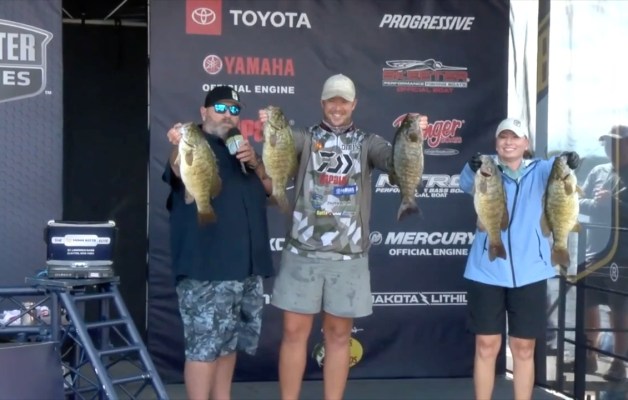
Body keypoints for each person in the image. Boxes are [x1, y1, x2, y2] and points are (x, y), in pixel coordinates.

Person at [258, 74, 428, 400]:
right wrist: (271, 129)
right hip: (302, 252)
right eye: (332, 101)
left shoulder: (368, 142)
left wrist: (414, 138)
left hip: (349, 256)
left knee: (338, 336)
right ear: (322, 103)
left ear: (354, 104)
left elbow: (395, 164)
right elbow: (274, 158)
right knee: (294, 333)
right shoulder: (304, 137)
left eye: (344, 101)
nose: (337, 107)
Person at [163, 85, 275, 400]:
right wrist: (178, 143)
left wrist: (256, 162)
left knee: (228, 344)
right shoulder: (192, 143)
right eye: (221, 108)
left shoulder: (241, 148)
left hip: (245, 268)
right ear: (204, 111)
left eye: (234, 110)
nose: (228, 115)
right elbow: (176, 168)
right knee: (203, 348)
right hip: (206, 268)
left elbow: (270, 190)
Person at [460, 117, 580, 399]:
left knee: (524, 348)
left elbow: (562, 169)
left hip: (531, 272)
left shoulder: (541, 169)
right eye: (503, 137)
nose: (509, 142)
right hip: (486, 270)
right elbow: (466, 182)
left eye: (515, 137)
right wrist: (470, 167)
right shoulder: (486, 167)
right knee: (486, 345)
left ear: (526, 143)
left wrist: (569, 159)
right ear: (496, 143)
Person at [577, 125, 628, 381]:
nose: (610, 147)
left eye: (616, 142)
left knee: (619, 309)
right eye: (607, 143)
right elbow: (578, 202)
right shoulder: (598, 171)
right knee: (588, 303)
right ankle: (590, 355)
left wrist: (613, 203)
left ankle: (619, 362)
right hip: (594, 252)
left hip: (623, 256)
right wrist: (596, 203)